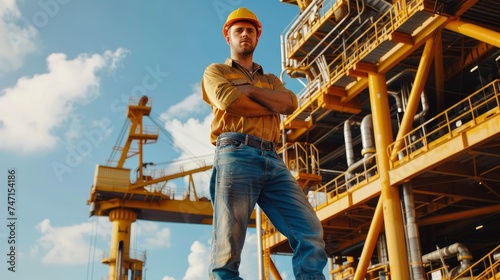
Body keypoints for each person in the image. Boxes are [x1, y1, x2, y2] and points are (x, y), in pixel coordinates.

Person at [201, 7, 327, 279]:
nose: (245, 35)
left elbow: (290, 103)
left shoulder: (270, 80)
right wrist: (270, 105)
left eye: (250, 30)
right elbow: (228, 101)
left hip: (273, 158)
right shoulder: (215, 71)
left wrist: (251, 91)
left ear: (258, 36)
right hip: (235, 153)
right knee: (228, 247)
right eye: (239, 31)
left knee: (310, 231)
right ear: (228, 37)